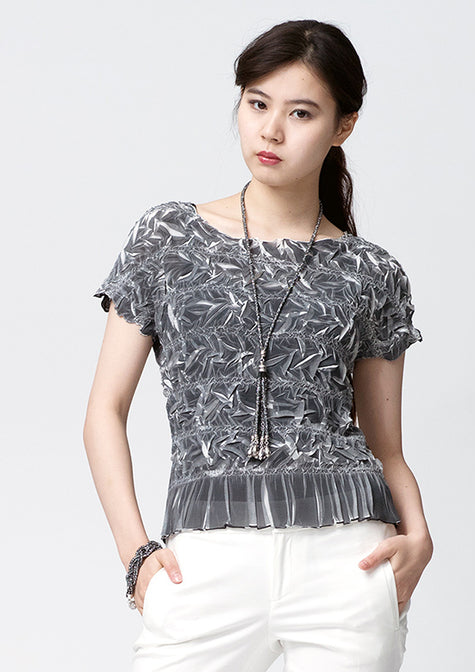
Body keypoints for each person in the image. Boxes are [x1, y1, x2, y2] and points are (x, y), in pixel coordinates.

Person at [83, 18, 433, 672]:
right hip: (205, 562)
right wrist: (137, 556)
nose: (271, 131)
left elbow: (386, 445)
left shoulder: (371, 272)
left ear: (343, 126)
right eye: (257, 104)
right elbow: (104, 409)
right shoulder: (167, 238)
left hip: (347, 561)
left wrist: (419, 538)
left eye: (301, 113)